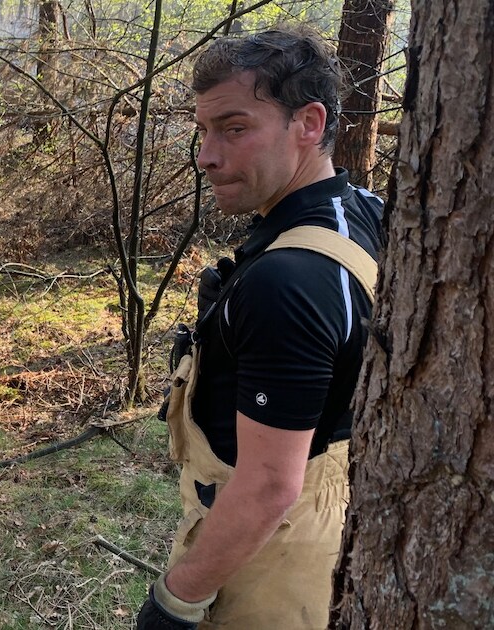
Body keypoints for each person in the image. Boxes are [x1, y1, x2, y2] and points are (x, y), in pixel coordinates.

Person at [137, 27, 385, 630]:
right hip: (345, 531)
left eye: (235, 127)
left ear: (308, 122)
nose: (206, 156)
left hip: (274, 560)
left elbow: (270, 484)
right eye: (203, 131)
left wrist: (176, 601)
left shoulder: (288, 281)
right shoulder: (368, 211)